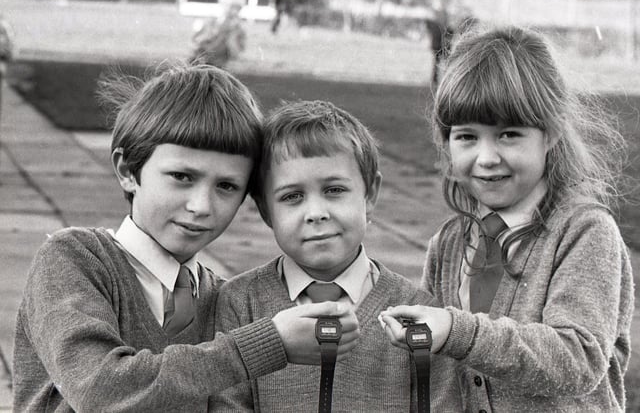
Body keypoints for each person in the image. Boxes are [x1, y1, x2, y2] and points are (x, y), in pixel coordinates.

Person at [12, 62, 359, 412]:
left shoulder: (223, 300)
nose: (201, 205)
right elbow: (101, 391)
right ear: (128, 170)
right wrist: (266, 345)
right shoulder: (72, 260)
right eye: (181, 176)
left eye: (226, 186)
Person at [379, 25, 634, 411]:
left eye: (508, 134)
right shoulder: (448, 244)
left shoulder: (583, 233)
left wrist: (455, 330)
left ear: (550, 133)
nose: (486, 158)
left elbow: (577, 358)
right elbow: (435, 373)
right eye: (466, 136)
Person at [211, 100, 430, 411]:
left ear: (370, 194)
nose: (316, 213)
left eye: (334, 190)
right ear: (264, 211)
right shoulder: (239, 303)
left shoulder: (416, 311)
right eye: (292, 197)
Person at [191, 0, 247, 67]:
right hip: (202, 62)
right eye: (231, 7)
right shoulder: (211, 22)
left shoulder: (238, 29)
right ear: (222, 5)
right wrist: (214, 32)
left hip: (221, 66)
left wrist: (232, 35)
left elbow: (236, 54)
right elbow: (196, 44)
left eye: (238, 8)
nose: (234, 12)